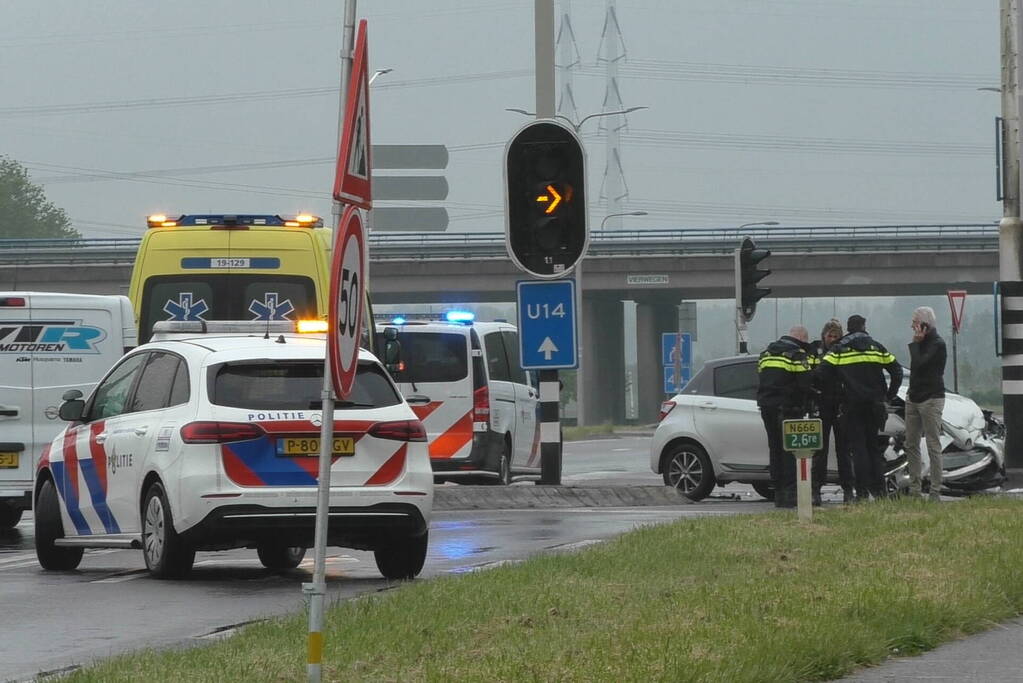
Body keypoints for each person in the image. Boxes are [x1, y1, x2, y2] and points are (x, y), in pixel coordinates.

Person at [818, 315, 902, 501]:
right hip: (875, 406)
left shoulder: (840, 349)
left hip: (852, 405)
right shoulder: (876, 347)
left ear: (848, 329)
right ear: (864, 326)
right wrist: (888, 396)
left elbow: (821, 371)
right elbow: (897, 371)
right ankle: (880, 492)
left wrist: (839, 384)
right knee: (873, 448)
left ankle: (862, 493)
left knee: (858, 450)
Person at [757, 325, 815, 508]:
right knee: (789, 451)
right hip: (788, 408)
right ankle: (791, 494)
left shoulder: (766, 354)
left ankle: (779, 493)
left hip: (767, 407)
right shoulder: (797, 354)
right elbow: (805, 383)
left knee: (774, 449)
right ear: (802, 339)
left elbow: (761, 377)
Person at [809, 319, 855, 504]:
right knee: (819, 450)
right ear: (823, 336)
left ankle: (848, 490)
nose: (833, 339)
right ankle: (815, 490)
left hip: (841, 405)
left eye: (836, 336)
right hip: (821, 404)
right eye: (830, 336)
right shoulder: (815, 352)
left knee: (844, 451)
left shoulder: (845, 351)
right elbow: (809, 375)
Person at [905, 306, 947, 501]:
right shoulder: (921, 343)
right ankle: (915, 489)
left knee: (932, 444)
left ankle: (935, 490)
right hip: (913, 396)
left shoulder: (937, 344)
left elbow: (920, 363)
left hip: (931, 398)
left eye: (915, 322)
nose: (912, 326)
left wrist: (916, 343)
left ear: (924, 325)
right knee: (911, 444)